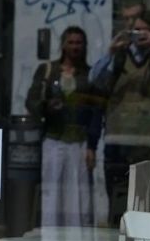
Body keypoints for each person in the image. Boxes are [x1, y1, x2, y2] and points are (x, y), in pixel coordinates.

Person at [90, 4, 150, 214]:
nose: (140, 35)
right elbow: (95, 80)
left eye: (144, 30)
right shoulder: (119, 57)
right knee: (117, 201)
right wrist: (111, 52)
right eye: (136, 30)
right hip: (117, 138)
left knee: (143, 203)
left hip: (148, 141)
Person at [27, 26, 103, 228]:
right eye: (71, 42)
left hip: (80, 142)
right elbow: (32, 100)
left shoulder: (90, 74)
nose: (75, 47)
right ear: (63, 45)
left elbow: (96, 112)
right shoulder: (48, 70)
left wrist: (92, 146)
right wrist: (46, 106)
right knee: (52, 196)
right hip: (53, 139)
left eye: (79, 43)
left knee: (81, 198)